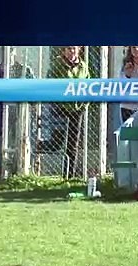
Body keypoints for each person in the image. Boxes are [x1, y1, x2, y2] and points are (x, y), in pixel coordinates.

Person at [46, 46, 91, 178]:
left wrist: (84, 104)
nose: (72, 52)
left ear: (79, 50)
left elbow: (88, 86)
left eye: (74, 49)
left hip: (76, 109)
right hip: (60, 108)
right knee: (57, 141)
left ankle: (69, 174)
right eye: (69, 49)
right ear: (64, 51)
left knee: (73, 143)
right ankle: (38, 145)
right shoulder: (57, 65)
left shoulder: (83, 66)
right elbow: (49, 83)